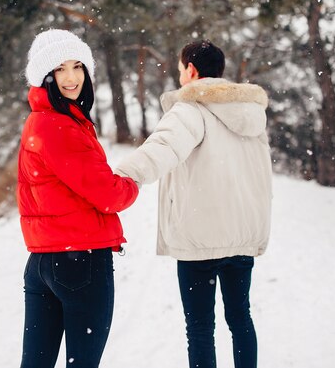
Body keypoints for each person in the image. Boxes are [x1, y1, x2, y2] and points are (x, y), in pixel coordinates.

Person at [115, 40, 272, 368]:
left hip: (201, 238)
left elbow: (161, 149)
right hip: (242, 236)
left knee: (200, 328)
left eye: (180, 67)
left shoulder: (191, 108)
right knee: (240, 319)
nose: (179, 74)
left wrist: (117, 177)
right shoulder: (252, 115)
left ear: (192, 70)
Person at [17, 29, 139, 368]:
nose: (71, 77)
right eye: (60, 69)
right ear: (46, 76)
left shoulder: (38, 121)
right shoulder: (59, 126)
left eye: (77, 66)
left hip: (43, 263)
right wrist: (132, 182)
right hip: (78, 263)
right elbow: (108, 194)